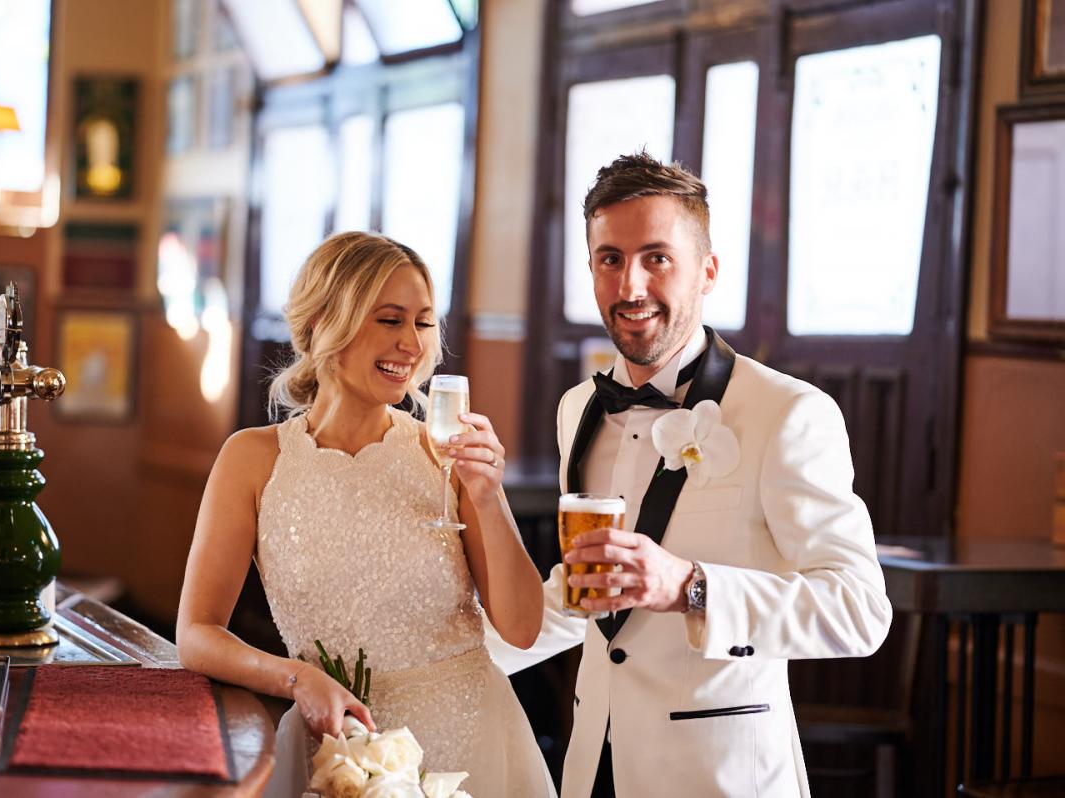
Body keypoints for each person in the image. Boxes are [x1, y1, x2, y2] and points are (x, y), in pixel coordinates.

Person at [487, 152, 893, 797]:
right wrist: (444, 668)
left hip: (721, 774)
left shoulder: (790, 413)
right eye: (609, 259)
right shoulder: (577, 409)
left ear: (707, 272)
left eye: (657, 257)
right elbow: (587, 589)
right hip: (592, 763)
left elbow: (859, 612)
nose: (630, 288)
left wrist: (691, 587)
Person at [177, 231, 556, 798]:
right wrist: (298, 678)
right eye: (389, 319)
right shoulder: (252, 459)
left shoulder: (445, 454)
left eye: (424, 323)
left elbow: (523, 628)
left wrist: (487, 496)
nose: (411, 343)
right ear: (325, 322)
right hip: (334, 755)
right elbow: (197, 633)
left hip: (474, 747)